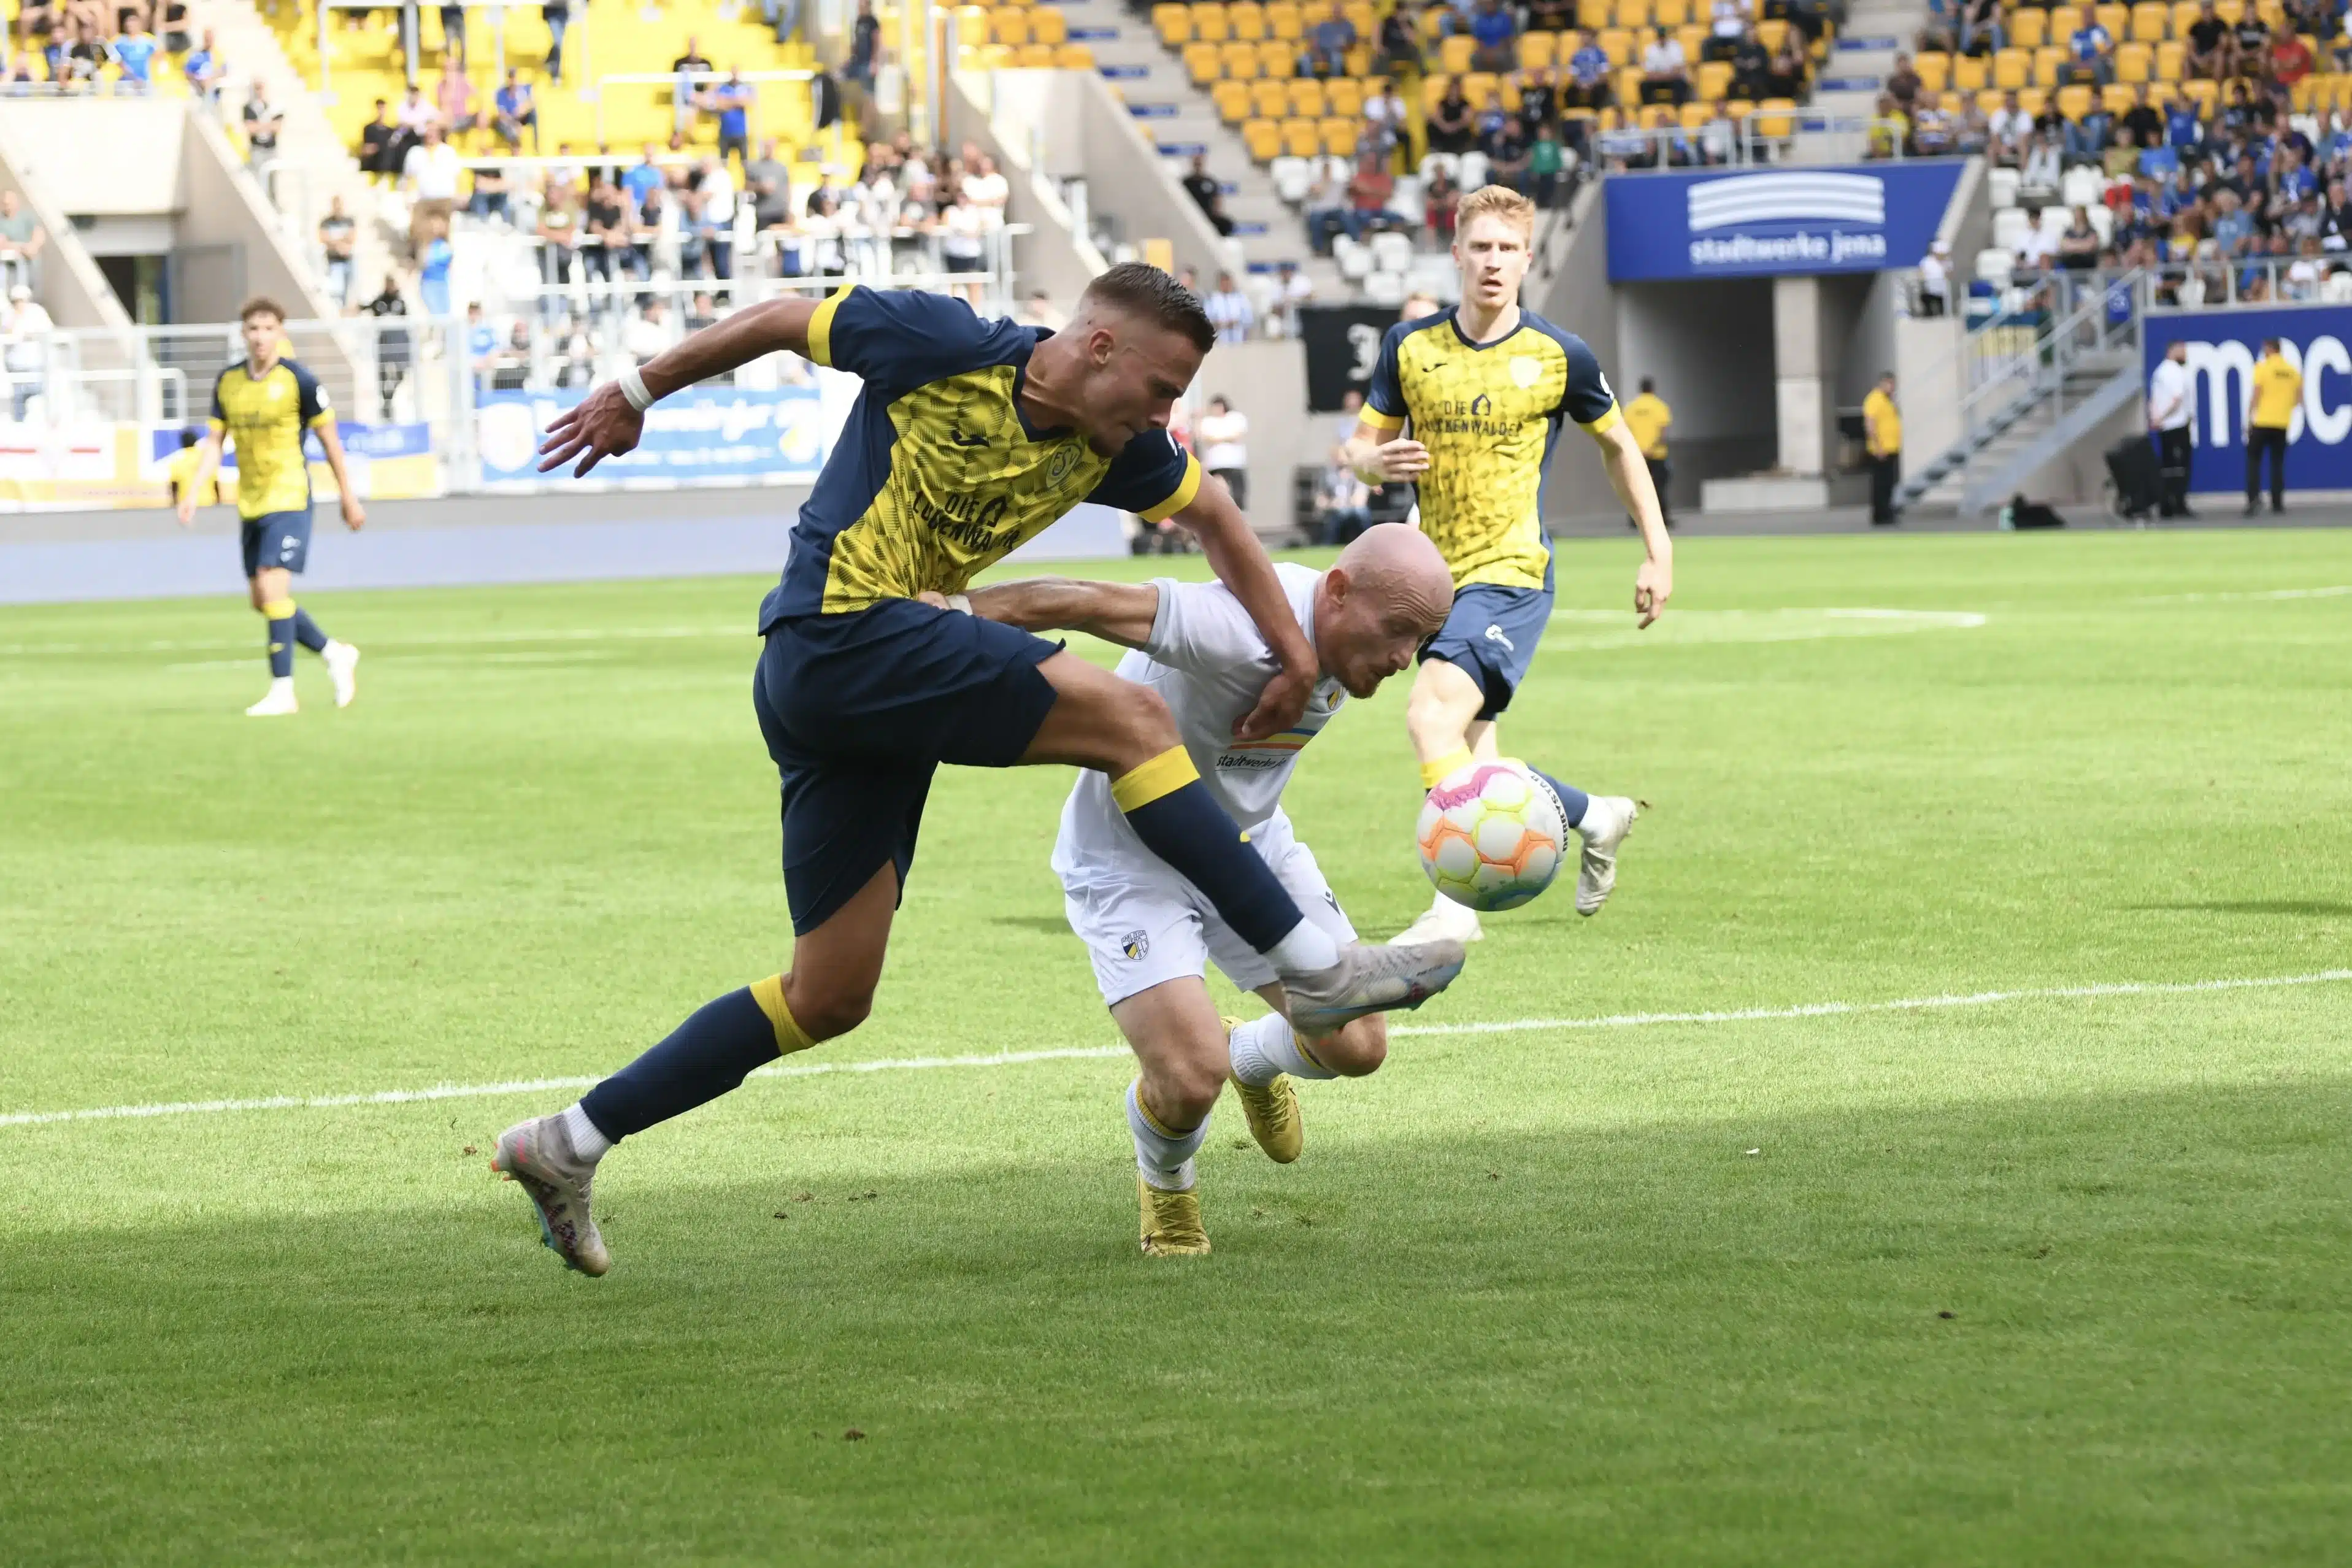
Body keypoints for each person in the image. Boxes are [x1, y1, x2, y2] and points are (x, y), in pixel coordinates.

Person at [491, 265, 1469, 1275]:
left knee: (827, 993)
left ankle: (567, 1142)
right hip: (840, 629)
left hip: (866, 699)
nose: (1165, 415)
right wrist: (636, 393)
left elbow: (1216, 520)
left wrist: (1296, 656)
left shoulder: (1118, 447)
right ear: (1098, 347)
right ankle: (1315, 974)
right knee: (1132, 717)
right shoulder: (938, 341)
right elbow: (782, 319)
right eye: (1160, 388)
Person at [955, 527, 1455, 1253]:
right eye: (1399, 630)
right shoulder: (1237, 629)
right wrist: (948, 612)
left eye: (1422, 639)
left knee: (1358, 1043)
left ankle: (1250, 1057)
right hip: (1133, 861)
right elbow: (1082, 601)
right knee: (1191, 1077)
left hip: (1252, 847)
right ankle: (1168, 1189)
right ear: (1339, 594)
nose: (1405, 657)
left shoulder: (1349, 638)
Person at [1339, 186, 1669, 948]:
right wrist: (1370, 463)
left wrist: (1659, 548)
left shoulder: (1559, 355)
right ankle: (1598, 814)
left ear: (1528, 259)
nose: (1493, 262)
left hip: (1512, 572)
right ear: (1457, 254)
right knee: (1474, 758)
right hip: (1431, 580)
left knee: (1428, 716)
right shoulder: (1410, 348)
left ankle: (1454, 909)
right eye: (1479, 247)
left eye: (1507, 250)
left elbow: (1620, 447)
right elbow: (1357, 449)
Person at [172, 298, 366, 718]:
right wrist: (193, 490)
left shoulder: (299, 380)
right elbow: (214, 443)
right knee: (263, 599)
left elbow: (330, 441)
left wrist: (348, 495)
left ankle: (283, 692)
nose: (260, 337)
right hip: (252, 499)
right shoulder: (228, 383)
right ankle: (335, 653)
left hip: (290, 495)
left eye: (268, 328)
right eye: (253, 329)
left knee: (273, 587)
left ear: (281, 332)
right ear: (244, 334)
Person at [2246, 336, 2300, 514]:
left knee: (2254, 461)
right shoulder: (2292, 371)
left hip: (2262, 421)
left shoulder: (2263, 368)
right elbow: (2299, 399)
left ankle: (2254, 500)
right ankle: (2277, 503)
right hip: (2281, 423)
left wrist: (2249, 417)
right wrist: (2284, 408)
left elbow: (2257, 393)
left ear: (2269, 349)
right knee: (2277, 464)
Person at [2148, 337, 2195, 518]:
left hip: (2164, 427)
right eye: (2182, 349)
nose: (2185, 354)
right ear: (2173, 350)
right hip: (2177, 425)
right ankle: (2179, 504)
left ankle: (2166, 504)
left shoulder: (2159, 372)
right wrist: (2163, 416)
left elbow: (2153, 399)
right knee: (2181, 468)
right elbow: (2176, 399)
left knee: (2167, 467)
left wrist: (2155, 418)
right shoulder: (2175, 372)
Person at [1623, 375, 1672, 529]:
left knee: (1637, 488)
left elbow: (1625, 431)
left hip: (1637, 454)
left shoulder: (1631, 408)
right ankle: (1662, 519)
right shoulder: (1660, 406)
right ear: (1653, 389)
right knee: (1659, 487)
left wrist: (1637, 449)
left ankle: (1635, 520)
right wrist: (1651, 448)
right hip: (1657, 455)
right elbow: (1663, 431)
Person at [1196, 394, 1248, 517]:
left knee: (1238, 494)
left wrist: (1218, 437)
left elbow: (1237, 435)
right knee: (1218, 492)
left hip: (1235, 463)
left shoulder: (1235, 418)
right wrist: (1225, 437)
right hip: (1215, 464)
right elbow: (1206, 437)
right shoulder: (1208, 421)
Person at [1864, 370, 1901, 525]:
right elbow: (1870, 425)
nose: (1892, 387)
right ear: (1883, 383)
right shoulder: (1874, 399)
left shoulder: (1888, 401)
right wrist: (1879, 447)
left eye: (1893, 384)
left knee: (1889, 483)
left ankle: (1887, 512)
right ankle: (1881, 515)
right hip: (1881, 451)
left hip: (1891, 449)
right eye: (1890, 384)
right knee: (1881, 485)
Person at [318, 196, 356, 306]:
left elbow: (352, 238)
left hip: (347, 259)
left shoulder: (349, 221)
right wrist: (340, 243)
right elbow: (324, 238)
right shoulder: (326, 222)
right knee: (337, 290)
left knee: (349, 289)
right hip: (334, 260)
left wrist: (335, 241)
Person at [1202, 270, 1253, 344]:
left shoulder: (1240, 298)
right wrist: (1220, 324)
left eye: (1227, 282)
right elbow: (1206, 320)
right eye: (1223, 282)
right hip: (1220, 342)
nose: (1225, 285)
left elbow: (1249, 319)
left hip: (1238, 341)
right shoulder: (1212, 299)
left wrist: (1236, 323)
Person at [494, 69, 539, 152]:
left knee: (534, 114)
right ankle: (515, 149)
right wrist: (515, 123)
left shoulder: (525, 89)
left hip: (522, 117)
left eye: (515, 78)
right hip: (510, 120)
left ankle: (536, 146)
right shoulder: (501, 93)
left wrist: (523, 109)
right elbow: (502, 114)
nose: (513, 81)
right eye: (511, 78)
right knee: (503, 125)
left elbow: (532, 103)